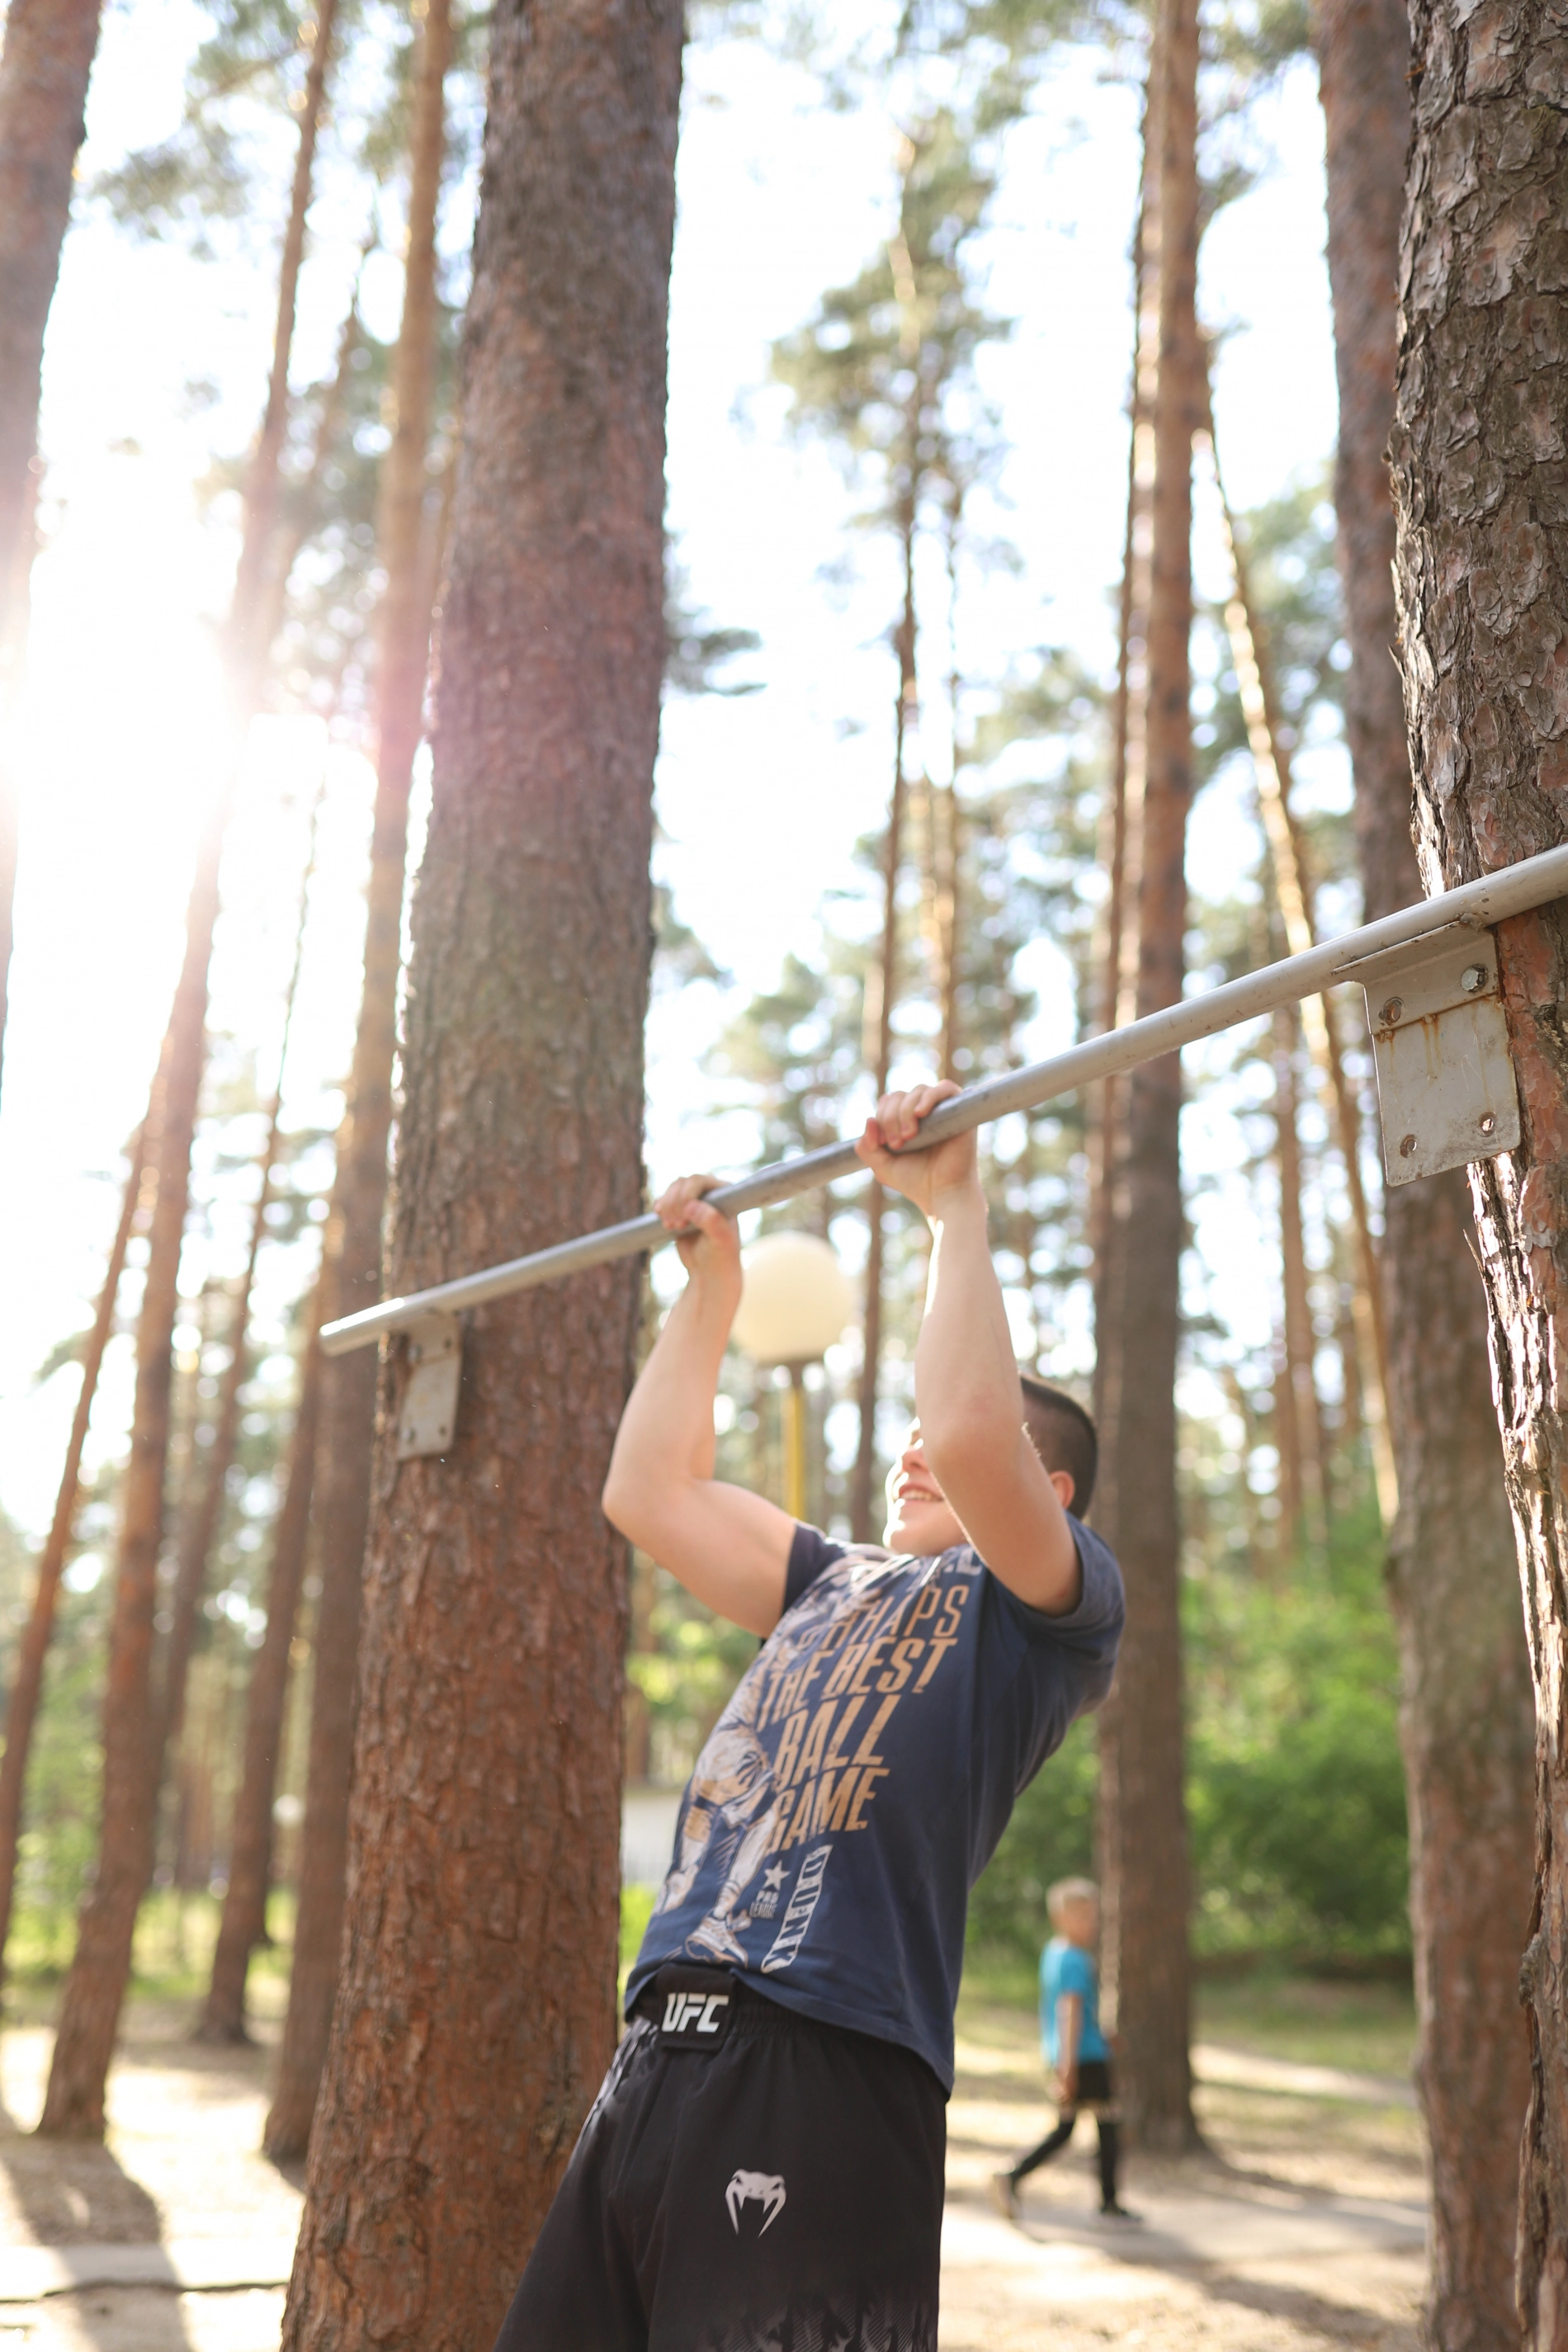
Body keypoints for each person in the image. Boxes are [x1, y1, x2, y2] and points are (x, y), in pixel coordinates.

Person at [493, 1079, 1125, 2352]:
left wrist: (952, 1203)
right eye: (899, 1443)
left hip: (828, 2062)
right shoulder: (828, 1576)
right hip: (662, 2045)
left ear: (1050, 1490)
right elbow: (646, 1488)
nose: (911, 1452)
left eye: (937, 1452)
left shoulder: (1050, 1605)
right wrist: (710, 1288)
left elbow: (964, 1425)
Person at [993, 1875, 1136, 2223]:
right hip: (1083, 2058)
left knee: (1069, 2128)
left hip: (1071, 2052)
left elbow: (1074, 2011)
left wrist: (1101, 2034)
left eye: (1094, 1916)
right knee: (1106, 2125)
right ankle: (1109, 2202)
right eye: (1083, 1916)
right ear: (1061, 1917)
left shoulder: (1052, 1953)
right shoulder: (1075, 1960)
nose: (1091, 1924)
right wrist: (1070, 2067)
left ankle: (1013, 2177)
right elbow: (1068, 2011)